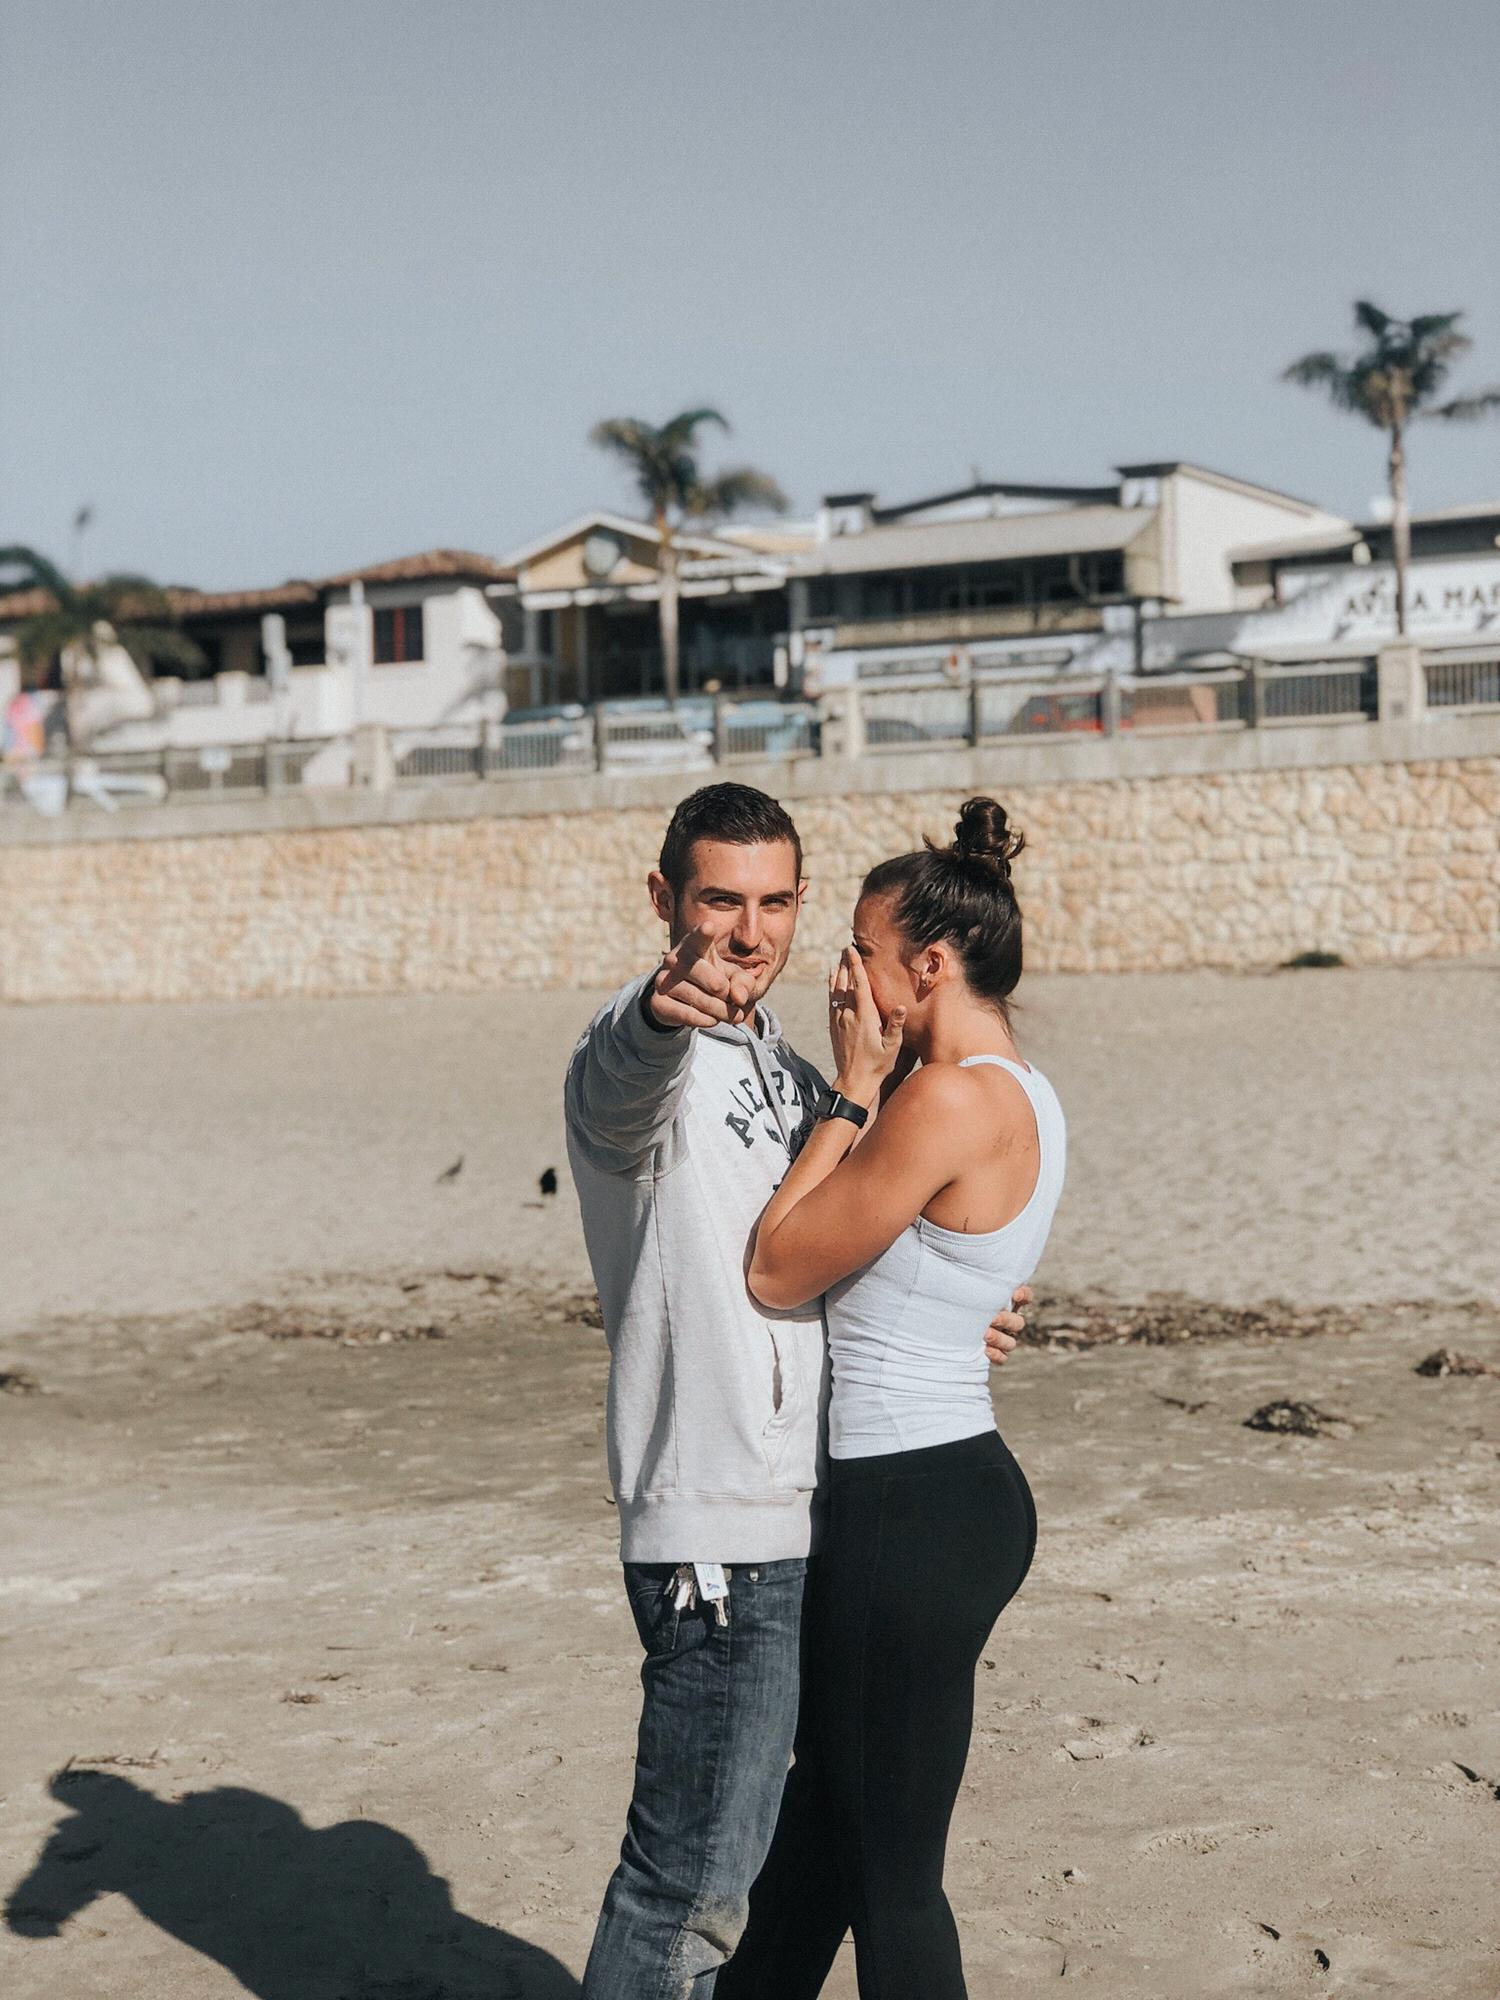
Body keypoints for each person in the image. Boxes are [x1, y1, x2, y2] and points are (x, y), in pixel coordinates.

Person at [563, 783, 1031, 1997]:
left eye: (774, 902)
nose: (747, 932)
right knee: (686, 1888)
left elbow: (830, 1246)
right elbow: (620, 1075)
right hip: (718, 1529)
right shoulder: (641, 1057)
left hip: (811, 1514)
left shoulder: (791, 1070)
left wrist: (949, 1301)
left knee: (774, 1861)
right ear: (664, 899)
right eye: (719, 899)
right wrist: (653, 1010)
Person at [716, 795, 1064, 2000]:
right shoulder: (1028, 1089)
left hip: (903, 1509)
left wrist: (853, 1086)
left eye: (861, 950)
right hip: (957, 1492)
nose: (842, 974)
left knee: (891, 1876)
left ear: (930, 965)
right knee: (828, 1824)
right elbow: (946, 1275)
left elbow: (777, 1264)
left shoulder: (940, 1097)